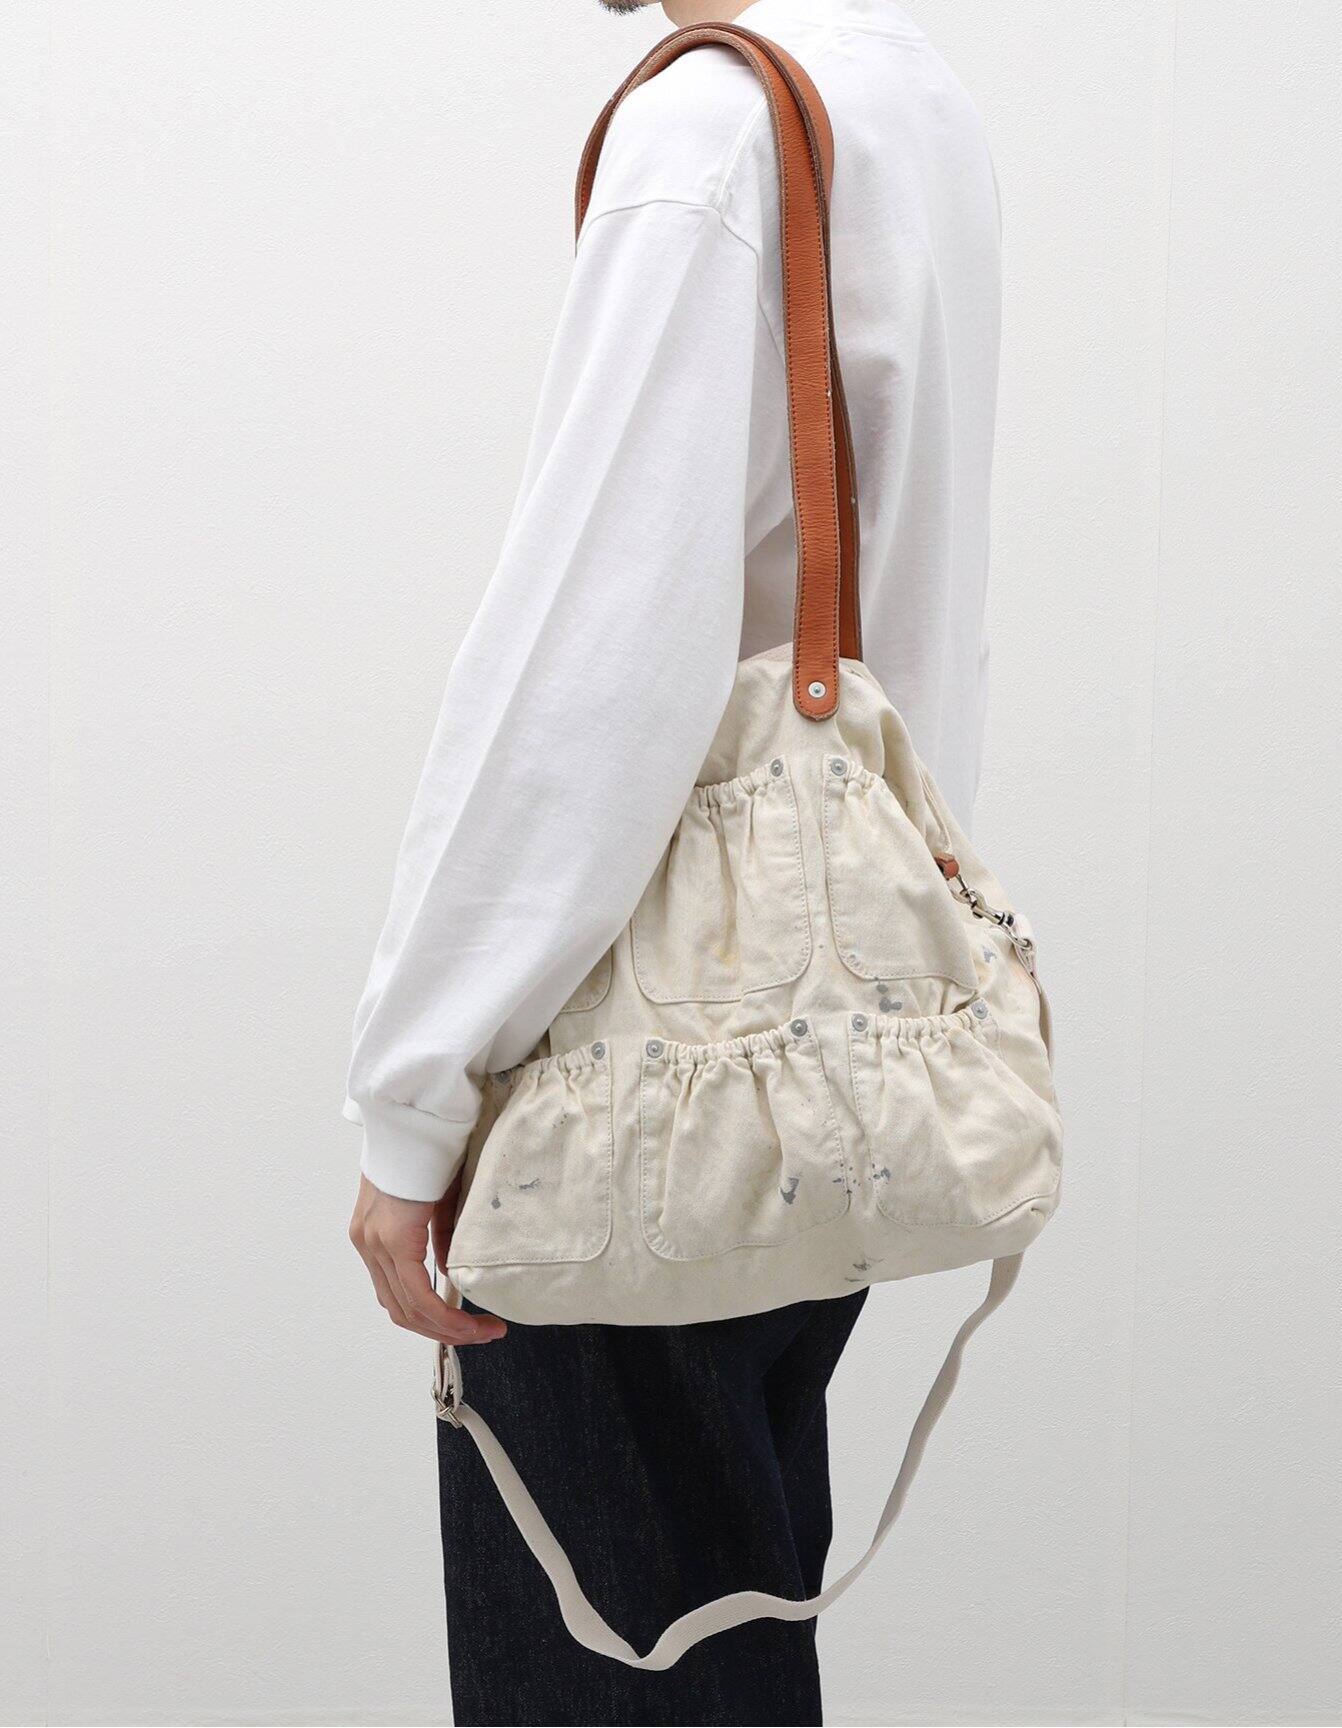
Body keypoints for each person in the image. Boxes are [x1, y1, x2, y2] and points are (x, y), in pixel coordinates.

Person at [345, 0, 1000, 1720]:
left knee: (614, 1679)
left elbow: (589, 672)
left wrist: (417, 1096)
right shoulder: (909, 95)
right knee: (728, 1650)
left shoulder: (707, 129)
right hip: (833, 1059)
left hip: (640, 1082)